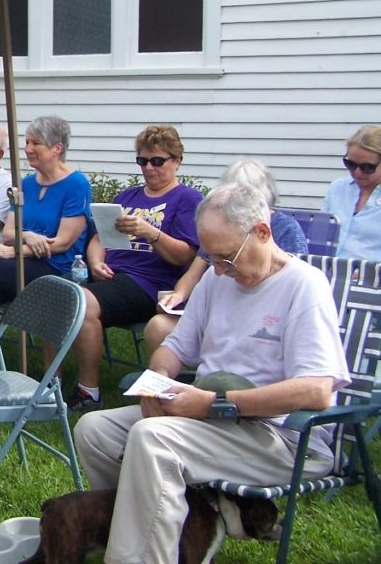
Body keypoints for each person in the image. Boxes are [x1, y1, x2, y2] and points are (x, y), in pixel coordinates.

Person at [74, 183, 349, 564]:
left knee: (154, 439)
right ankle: (167, 536)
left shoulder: (304, 287)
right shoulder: (218, 279)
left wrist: (212, 401)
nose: (218, 269)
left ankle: (138, 557)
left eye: (226, 258)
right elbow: (174, 347)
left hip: (281, 436)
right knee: (95, 431)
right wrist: (157, 384)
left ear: (262, 233)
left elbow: (316, 391)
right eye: (211, 258)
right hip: (216, 419)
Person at [71, 124, 202, 412]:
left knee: (82, 303)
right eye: (143, 161)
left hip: (152, 284)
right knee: (64, 295)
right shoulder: (127, 196)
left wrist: (150, 233)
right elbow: (98, 239)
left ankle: (88, 391)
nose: (149, 168)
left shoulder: (187, 200)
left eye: (157, 161)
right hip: (115, 278)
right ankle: (51, 379)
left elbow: (186, 256)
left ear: (176, 161)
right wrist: (95, 261)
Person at [145, 157, 308, 353]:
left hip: (260, 316)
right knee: (159, 326)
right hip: (218, 312)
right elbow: (194, 273)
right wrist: (178, 296)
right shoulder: (220, 233)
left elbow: (288, 280)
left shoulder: (287, 231)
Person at [0, 116, 91, 357]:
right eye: (26, 142)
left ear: (57, 148)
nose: (27, 149)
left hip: (56, 267)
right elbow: (8, 233)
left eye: (36, 143)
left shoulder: (76, 185)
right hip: (24, 262)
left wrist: (14, 250)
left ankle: (45, 378)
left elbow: (62, 243)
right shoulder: (25, 183)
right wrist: (26, 236)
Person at [322, 124, 381, 261]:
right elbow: (322, 233)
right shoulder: (337, 188)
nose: (357, 172)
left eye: (367, 167)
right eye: (350, 164)